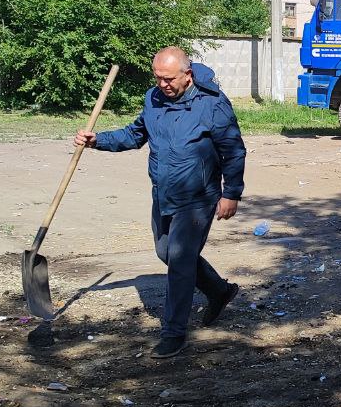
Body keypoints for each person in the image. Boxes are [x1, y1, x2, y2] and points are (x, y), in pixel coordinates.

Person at [75, 47, 246, 358]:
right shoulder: (153, 100)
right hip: (165, 193)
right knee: (165, 251)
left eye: (169, 79)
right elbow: (135, 134)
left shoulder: (212, 104)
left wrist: (231, 193)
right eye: (158, 78)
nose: (163, 85)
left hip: (199, 196)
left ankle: (173, 333)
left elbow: (233, 150)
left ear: (187, 75)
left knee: (180, 260)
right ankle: (219, 291)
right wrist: (97, 140)